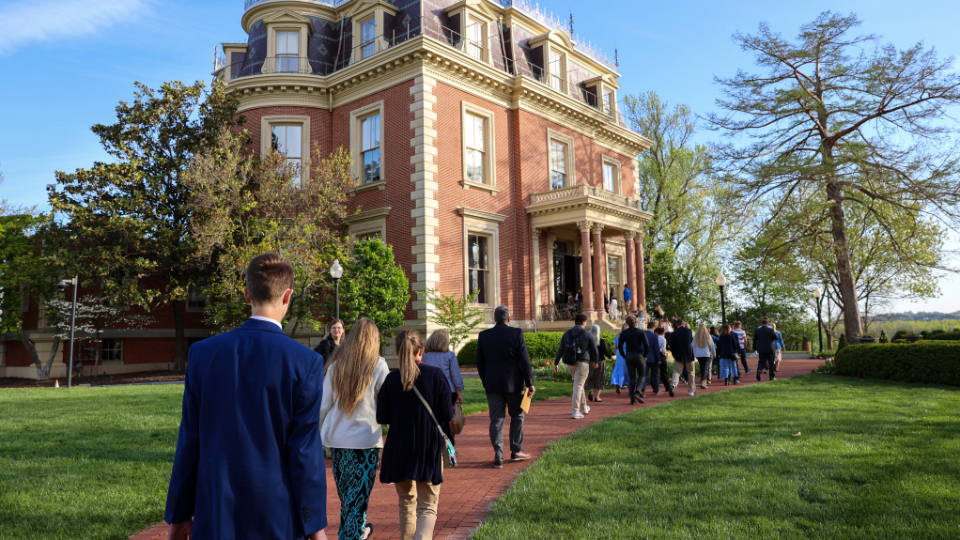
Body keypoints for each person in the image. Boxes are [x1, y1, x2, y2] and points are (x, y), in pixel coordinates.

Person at [165, 253, 328, 540]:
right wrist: (314, 525)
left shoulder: (202, 354)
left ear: (246, 294)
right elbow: (304, 452)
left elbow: (189, 441)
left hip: (215, 510)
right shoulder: (305, 362)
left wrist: (178, 515)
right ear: (288, 296)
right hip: (278, 516)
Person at [377, 331, 454, 540]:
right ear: (421, 350)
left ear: (396, 351)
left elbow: (381, 415)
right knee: (427, 506)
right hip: (427, 445)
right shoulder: (436, 375)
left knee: (406, 503)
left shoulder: (392, 379)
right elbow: (447, 414)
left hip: (399, 445)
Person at [320, 318, 388, 540]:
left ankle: (359, 531)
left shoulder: (336, 365)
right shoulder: (378, 365)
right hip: (365, 442)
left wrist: (313, 431)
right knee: (356, 501)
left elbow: (323, 405)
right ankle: (353, 534)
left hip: (337, 441)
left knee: (348, 500)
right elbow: (386, 404)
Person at [476, 306, 535, 468]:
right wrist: (530, 383)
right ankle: (516, 451)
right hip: (514, 384)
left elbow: (480, 364)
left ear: (494, 319)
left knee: (496, 420)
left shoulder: (484, 336)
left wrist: (485, 380)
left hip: (492, 384)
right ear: (509, 319)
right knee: (517, 416)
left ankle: (498, 455)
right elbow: (524, 361)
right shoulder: (516, 333)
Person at [422, 329, 465, 445]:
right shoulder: (450, 356)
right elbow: (455, 376)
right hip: (448, 391)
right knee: (448, 421)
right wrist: (459, 392)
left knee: (434, 420)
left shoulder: (425, 356)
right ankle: (449, 447)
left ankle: (435, 445)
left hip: (430, 391)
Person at [554, 313, 599, 418]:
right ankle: (575, 411)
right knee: (578, 386)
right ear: (584, 322)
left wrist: (556, 363)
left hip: (570, 364)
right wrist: (595, 361)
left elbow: (561, 350)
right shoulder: (587, 334)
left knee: (579, 385)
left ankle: (584, 407)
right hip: (582, 363)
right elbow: (594, 350)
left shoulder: (567, 334)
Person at [617, 314, 650, 404]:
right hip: (639, 355)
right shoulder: (640, 332)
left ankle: (632, 398)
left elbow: (619, 346)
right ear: (635, 321)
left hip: (629, 355)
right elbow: (646, 344)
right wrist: (645, 354)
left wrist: (624, 355)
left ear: (627, 322)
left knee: (632, 377)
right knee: (642, 375)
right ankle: (638, 391)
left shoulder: (624, 333)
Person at [586, 324, 614, 402]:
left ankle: (591, 391)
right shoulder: (600, 341)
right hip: (600, 361)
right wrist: (611, 357)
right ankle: (597, 397)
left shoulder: (588, 341)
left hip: (590, 361)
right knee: (599, 378)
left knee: (591, 376)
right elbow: (605, 351)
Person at [669, 319, 696, 397]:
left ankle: (673, 385)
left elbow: (671, 347)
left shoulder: (673, 334)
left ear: (677, 325)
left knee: (677, 371)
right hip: (689, 355)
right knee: (691, 372)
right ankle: (691, 391)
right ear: (684, 324)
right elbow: (694, 343)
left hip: (678, 355)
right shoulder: (690, 331)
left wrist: (674, 354)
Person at [643, 326, 668, 395]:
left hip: (646, 357)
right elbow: (658, 349)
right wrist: (659, 359)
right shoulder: (657, 337)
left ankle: (642, 390)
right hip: (654, 358)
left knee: (644, 374)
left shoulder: (644, 335)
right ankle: (656, 390)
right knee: (655, 374)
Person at [753, 317, 778, 381]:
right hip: (770, 348)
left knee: (761, 361)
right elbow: (776, 338)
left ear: (762, 324)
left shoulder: (757, 330)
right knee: (771, 363)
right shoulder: (771, 330)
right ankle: (771, 377)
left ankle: (759, 370)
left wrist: (754, 348)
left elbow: (754, 340)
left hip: (761, 349)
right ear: (768, 324)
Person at [692, 323, 716, 390]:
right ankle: (703, 382)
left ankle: (703, 380)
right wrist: (714, 353)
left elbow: (692, 345)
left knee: (702, 367)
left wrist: (694, 354)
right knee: (705, 367)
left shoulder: (696, 336)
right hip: (706, 353)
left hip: (698, 354)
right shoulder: (707, 335)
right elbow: (712, 345)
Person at [610, 323, 629, 392]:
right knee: (628, 368)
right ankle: (629, 384)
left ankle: (618, 384)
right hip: (627, 352)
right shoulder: (629, 335)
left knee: (619, 368)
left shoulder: (617, 336)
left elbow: (615, 347)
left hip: (620, 353)